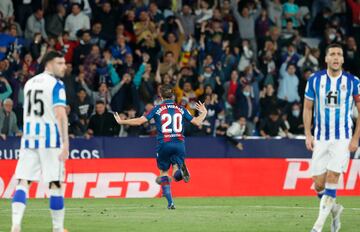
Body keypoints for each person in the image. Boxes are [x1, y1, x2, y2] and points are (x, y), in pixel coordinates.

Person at [114, 84, 207, 209]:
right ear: (173, 95)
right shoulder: (181, 108)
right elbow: (196, 122)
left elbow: (140, 121)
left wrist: (122, 121)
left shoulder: (157, 109)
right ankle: (181, 171)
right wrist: (204, 112)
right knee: (175, 171)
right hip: (179, 144)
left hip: (164, 143)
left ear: (160, 96)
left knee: (163, 172)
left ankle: (170, 202)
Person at [303, 43, 360, 232]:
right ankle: (335, 210)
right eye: (332, 54)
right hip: (320, 138)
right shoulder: (314, 80)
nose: (336, 57)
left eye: (339, 54)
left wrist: (355, 138)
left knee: (333, 177)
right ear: (326, 58)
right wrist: (308, 134)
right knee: (318, 184)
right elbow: (308, 108)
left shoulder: (353, 82)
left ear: (343, 59)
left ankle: (317, 227)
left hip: (342, 138)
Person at [11, 51, 69, 232]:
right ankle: (58, 229)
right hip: (50, 140)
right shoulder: (56, 85)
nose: (64, 66)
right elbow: (60, 114)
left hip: (29, 139)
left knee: (23, 182)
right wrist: (66, 143)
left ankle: (15, 225)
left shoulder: (29, 83)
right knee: (55, 184)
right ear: (49, 64)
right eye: (60, 63)